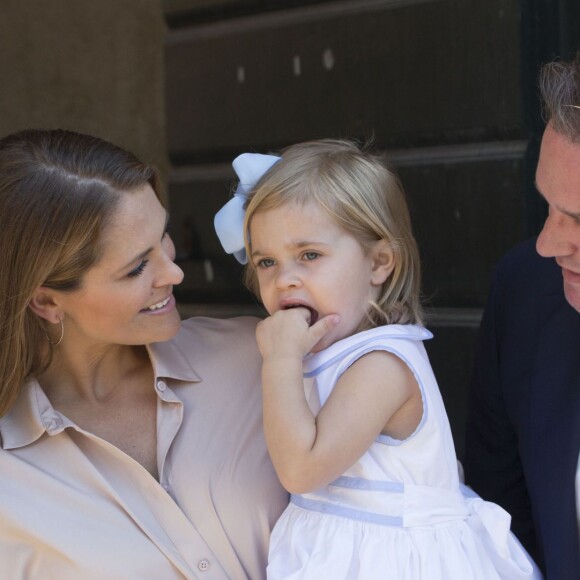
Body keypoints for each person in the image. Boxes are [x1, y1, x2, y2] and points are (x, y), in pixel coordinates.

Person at [214, 139, 541, 579]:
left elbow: (300, 468)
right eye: (266, 261)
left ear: (380, 263)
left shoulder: (380, 364)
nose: (285, 279)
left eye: (309, 255)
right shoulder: (321, 353)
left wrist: (279, 361)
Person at [0, 129, 288, 579]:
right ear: (48, 302)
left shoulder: (262, 359)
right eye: (137, 267)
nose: (173, 272)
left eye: (164, 237)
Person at [464, 54, 580, 580]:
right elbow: (501, 532)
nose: (548, 242)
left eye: (577, 217)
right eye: (548, 208)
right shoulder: (527, 291)